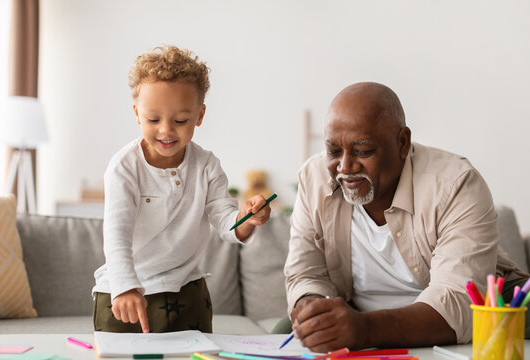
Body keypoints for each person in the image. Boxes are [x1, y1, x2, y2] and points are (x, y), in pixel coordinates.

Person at [283, 82, 529, 351]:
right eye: (333, 151)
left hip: (480, 308)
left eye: (363, 151)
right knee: (284, 331)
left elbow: (458, 301)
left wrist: (364, 329)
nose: (345, 167)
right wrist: (312, 308)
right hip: (359, 313)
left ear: (402, 142)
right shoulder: (314, 177)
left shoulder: (455, 183)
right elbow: (304, 271)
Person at [92, 45, 271, 334]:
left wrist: (248, 219)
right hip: (126, 291)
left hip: (185, 291)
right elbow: (117, 236)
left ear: (199, 115)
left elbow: (226, 222)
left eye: (180, 121)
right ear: (137, 113)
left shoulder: (207, 166)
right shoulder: (123, 167)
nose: (165, 130)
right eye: (153, 120)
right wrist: (124, 287)